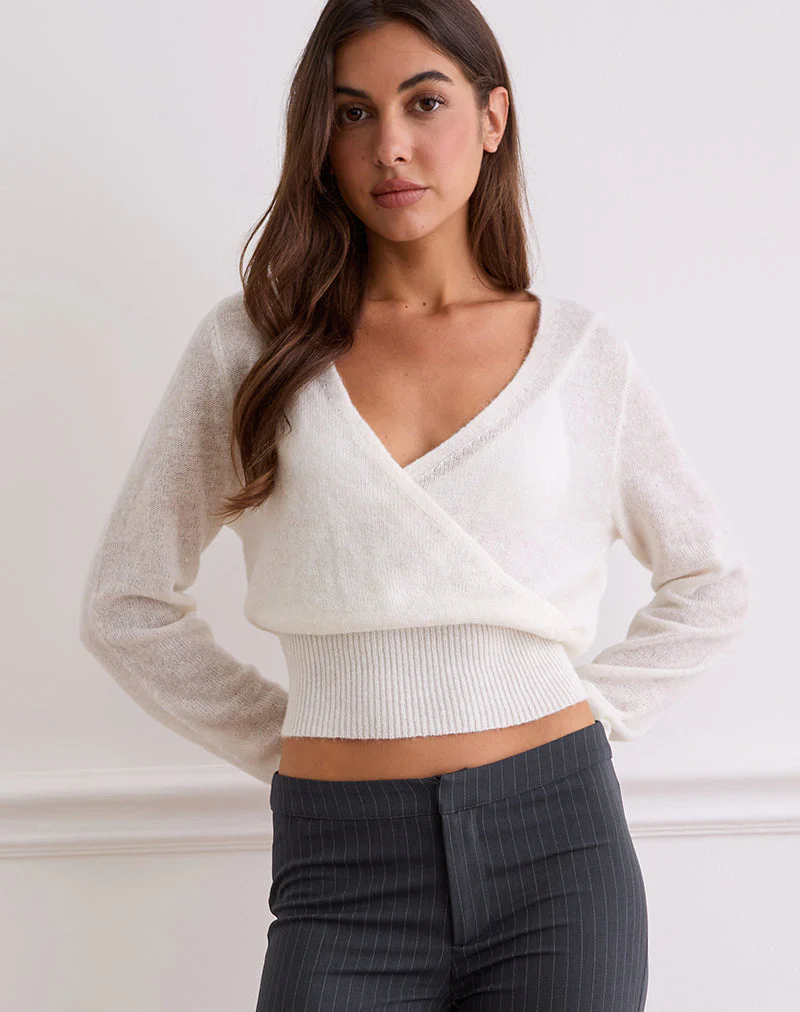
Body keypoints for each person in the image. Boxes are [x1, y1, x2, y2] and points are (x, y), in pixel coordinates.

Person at [78, 1, 750, 1008]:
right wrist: (293, 736)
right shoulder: (251, 347)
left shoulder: (577, 354)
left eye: (423, 102)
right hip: (341, 861)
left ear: (492, 117)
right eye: (352, 113)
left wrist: (591, 718)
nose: (388, 145)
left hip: (559, 850)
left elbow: (710, 581)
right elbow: (125, 605)